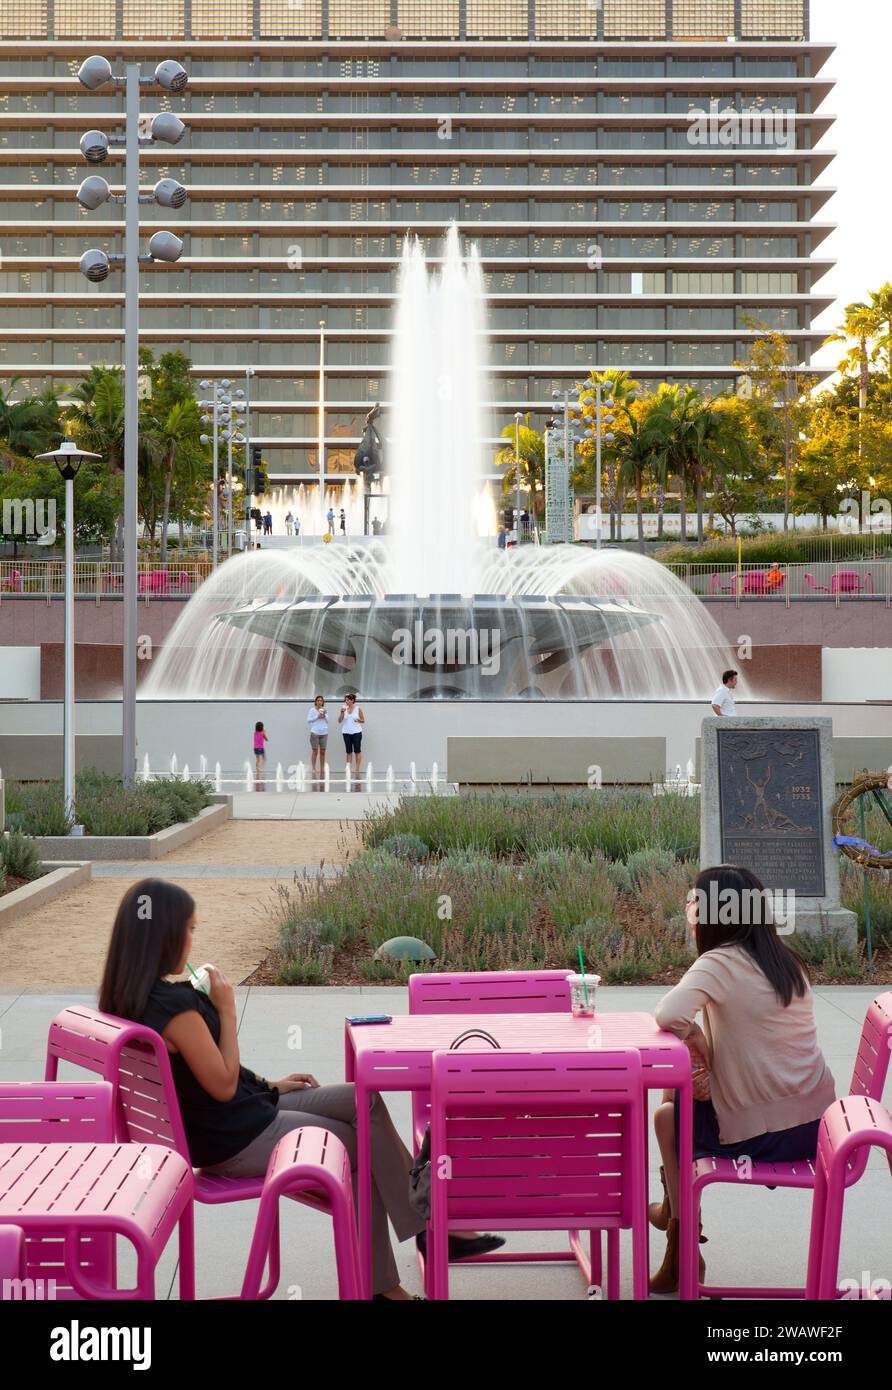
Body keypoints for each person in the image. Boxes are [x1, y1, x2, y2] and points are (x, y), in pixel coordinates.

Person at [98, 881, 502, 1298]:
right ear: (163, 936)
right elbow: (220, 1085)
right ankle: (411, 1255)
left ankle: (425, 1230)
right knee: (364, 1142)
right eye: (188, 929)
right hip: (235, 1138)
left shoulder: (128, 999)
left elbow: (204, 1080)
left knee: (364, 1100)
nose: (191, 939)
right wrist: (226, 1007)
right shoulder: (175, 1011)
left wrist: (268, 1084)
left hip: (236, 1119)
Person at [647, 864, 835, 1295]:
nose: (689, 909)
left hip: (764, 1134)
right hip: (814, 1126)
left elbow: (668, 1015)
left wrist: (693, 1035)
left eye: (693, 901)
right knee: (678, 1084)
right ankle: (673, 1215)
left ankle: (681, 1240)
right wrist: (700, 1048)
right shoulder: (785, 960)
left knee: (665, 1118)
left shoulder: (719, 963)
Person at [339, 692, 365, 784]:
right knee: (348, 751)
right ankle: (348, 768)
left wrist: (358, 719)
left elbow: (363, 720)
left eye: (348, 699)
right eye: (346, 700)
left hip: (356, 732)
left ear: (353, 700)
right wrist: (341, 713)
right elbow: (339, 720)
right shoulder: (344, 709)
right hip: (346, 732)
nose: (347, 701)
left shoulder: (358, 709)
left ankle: (357, 769)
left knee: (357, 751)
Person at [307, 694, 328, 785]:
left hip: (324, 732)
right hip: (315, 732)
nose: (319, 702)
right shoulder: (312, 710)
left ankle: (322, 768)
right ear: (315, 702)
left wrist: (324, 716)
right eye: (318, 700)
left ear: (323, 702)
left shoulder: (325, 710)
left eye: (321, 700)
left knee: (323, 751)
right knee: (315, 751)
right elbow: (308, 720)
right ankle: (314, 768)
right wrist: (317, 716)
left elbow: (328, 720)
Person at [252, 720, 268, 791]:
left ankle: (258, 770)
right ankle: (259, 769)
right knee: (264, 759)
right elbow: (267, 739)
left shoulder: (255, 733)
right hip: (261, 748)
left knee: (257, 759)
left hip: (255, 748)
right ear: (262, 727)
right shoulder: (262, 733)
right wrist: (265, 732)